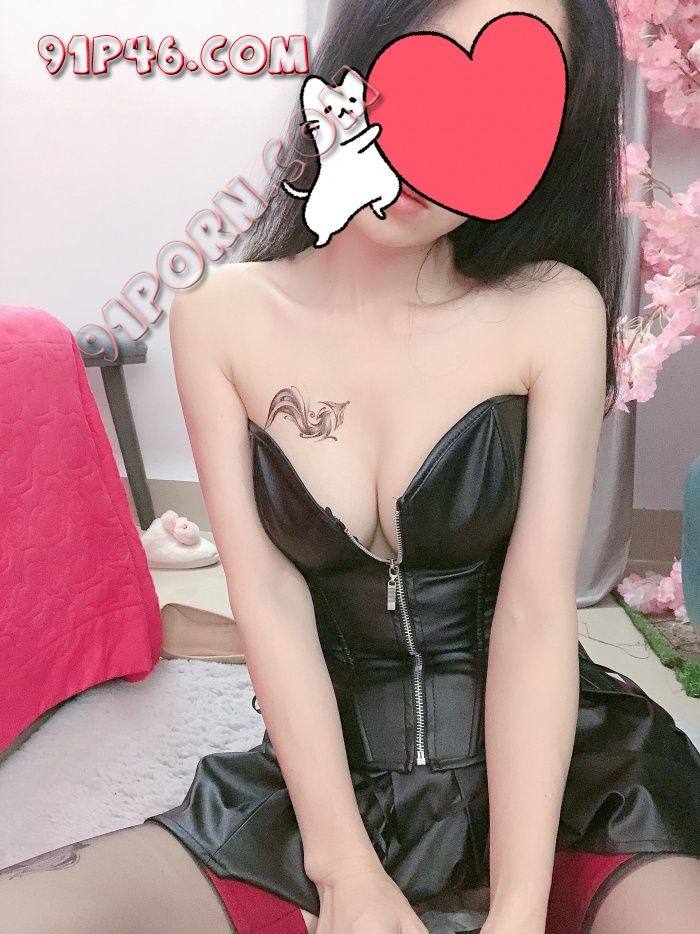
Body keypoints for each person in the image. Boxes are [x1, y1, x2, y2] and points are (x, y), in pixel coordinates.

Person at [2, 1, 700, 932]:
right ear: (355, 63)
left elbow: (535, 612)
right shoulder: (220, 315)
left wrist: (519, 908)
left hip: (569, 779)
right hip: (325, 789)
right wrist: (343, 870)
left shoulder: (551, 310)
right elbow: (268, 597)